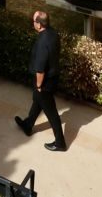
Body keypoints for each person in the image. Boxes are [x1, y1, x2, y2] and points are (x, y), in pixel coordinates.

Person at [14, 11, 66, 152]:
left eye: (34, 21)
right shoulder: (53, 34)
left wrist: (38, 85)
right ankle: (28, 125)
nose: (33, 23)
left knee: (51, 112)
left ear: (39, 24)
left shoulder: (43, 43)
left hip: (44, 83)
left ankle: (60, 142)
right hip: (52, 78)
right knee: (37, 101)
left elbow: (40, 70)